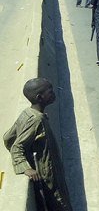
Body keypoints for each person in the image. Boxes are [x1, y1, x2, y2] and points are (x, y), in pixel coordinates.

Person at [3, 78, 72, 210]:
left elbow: (8, 137)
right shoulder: (37, 120)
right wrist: (26, 167)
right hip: (48, 178)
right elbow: (17, 147)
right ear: (40, 97)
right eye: (50, 92)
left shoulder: (26, 113)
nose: (53, 94)